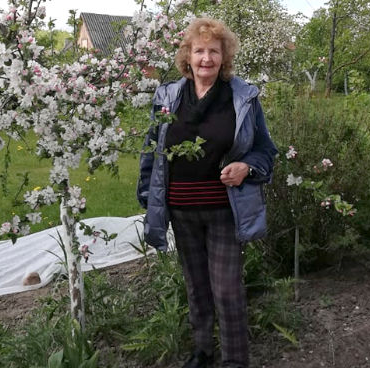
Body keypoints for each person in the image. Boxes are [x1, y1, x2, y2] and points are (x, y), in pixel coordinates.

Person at [137, 17, 277, 368]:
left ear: (224, 56)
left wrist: (247, 167)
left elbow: (264, 150)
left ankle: (235, 360)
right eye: (199, 51)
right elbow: (152, 149)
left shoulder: (242, 98)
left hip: (224, 210)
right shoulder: (168, 97)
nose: (206, 59)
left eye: (213, 51)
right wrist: (147, 197)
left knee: (227, 291)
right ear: (188, 55)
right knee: (196, 287)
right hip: (182, 212)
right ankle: (202, 351)